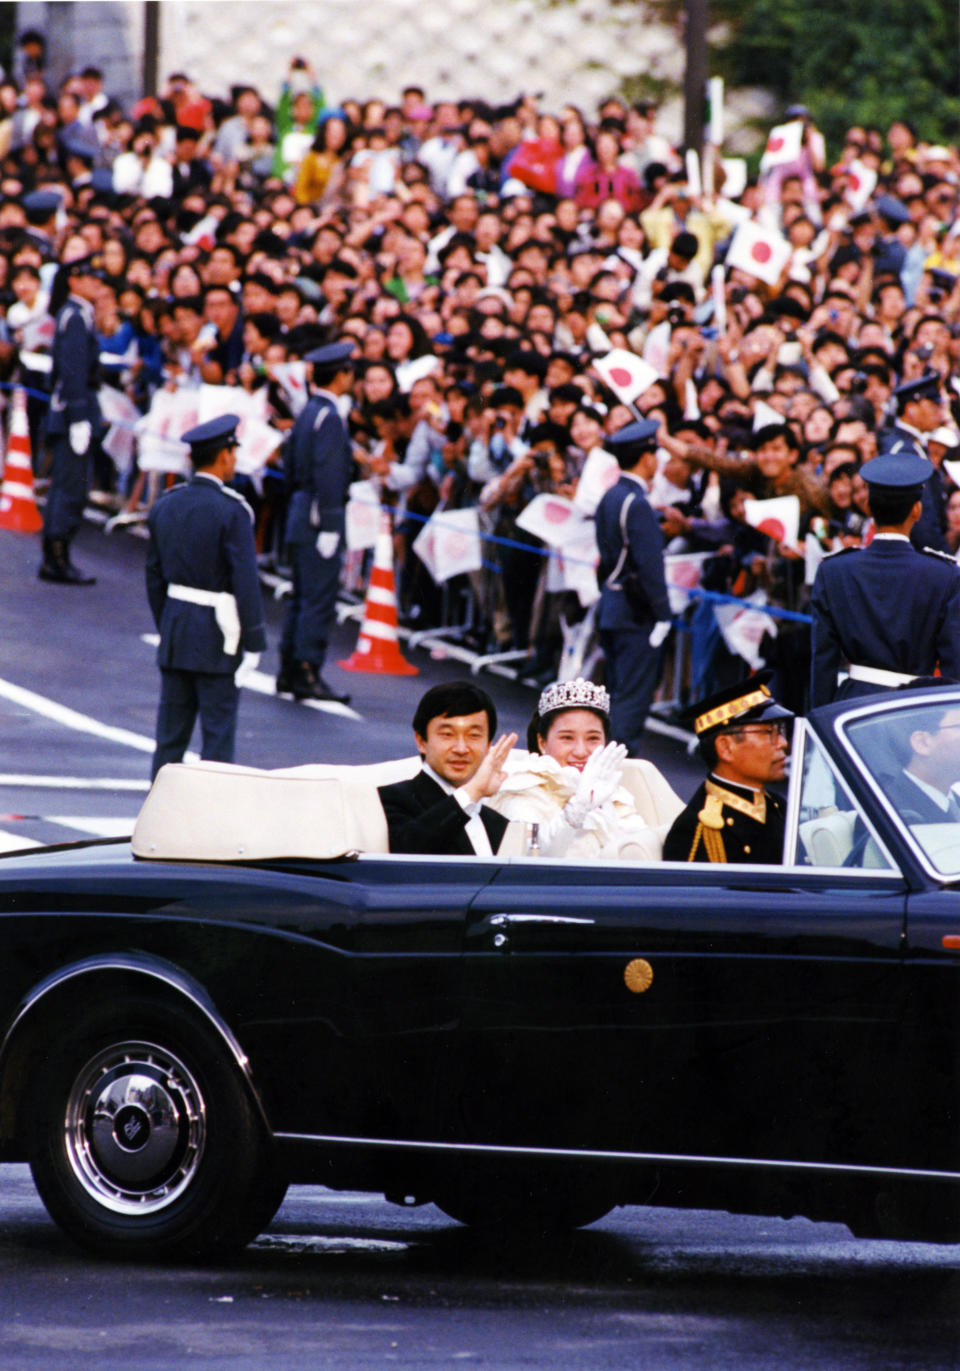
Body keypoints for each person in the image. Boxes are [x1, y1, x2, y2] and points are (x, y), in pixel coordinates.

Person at [146, 415, 267, 780]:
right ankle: (211, 827)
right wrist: (254, 638)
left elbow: (153, 577)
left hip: (177, 627)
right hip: (218, 634)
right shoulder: (233, 511)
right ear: (224, 456)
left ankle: (158, 819)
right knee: (216, 742)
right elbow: (245, 582)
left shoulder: (166, 505)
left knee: (169, 740)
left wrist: (168, 623)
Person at [809, 446, 960, 708]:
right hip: (917, 708)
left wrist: (820, 722)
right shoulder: (944, 574)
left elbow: (823, 660)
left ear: (868, 507)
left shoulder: (834, 570)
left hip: (853, 706)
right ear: (916, 510)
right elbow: (954, 663)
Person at [487, 677, 677, 859]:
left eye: (593, 738)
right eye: (567, 738)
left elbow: (640, 853)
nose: (581, 751)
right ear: (542, 743)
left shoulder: (613, 792)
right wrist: (577, 809)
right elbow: (533, 853)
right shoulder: (523, 788)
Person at [277, 341, 355, 704]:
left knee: (301, 597)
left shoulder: (308, 410)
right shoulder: (329, 416)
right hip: (317, 516)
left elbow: (290, 467)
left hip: (300, 508)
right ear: (341, 376)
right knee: (317, 598)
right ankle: (306, 670)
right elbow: (330, 473)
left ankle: (288, 669)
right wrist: (330, 522)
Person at [594, 418, 672, 756]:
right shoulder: (637, 503)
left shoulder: (611, 496)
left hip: (612, 606)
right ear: (647, 457)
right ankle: (617, 770)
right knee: (631, 699)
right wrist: (663, 615)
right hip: (636, 613)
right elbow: (650, 566)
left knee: (615, 694)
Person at [663, 672, 792, 864]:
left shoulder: (778, 806)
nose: (783, 743)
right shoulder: (699, 831)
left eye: (780, 731)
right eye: (769, 733)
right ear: (725, 747)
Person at [378, 681, 517, 856]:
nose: (461, 748)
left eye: (474, 736)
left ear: (489, 745)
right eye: (447, 735)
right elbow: (405, 853)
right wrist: (473, 792)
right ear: (421, 741)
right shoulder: (390, 800)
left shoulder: (499, 824)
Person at [38, 253, 105, 585]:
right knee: (71, 487)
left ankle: (56, 555)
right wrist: (79, 416)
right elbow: (73, 370)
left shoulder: (78, 314)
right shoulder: (76, 316)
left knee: (67, 485)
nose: (97, 283)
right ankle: (57, 558)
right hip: (73, 410)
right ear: (73, 281)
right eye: (90, 278)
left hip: (71, 408)